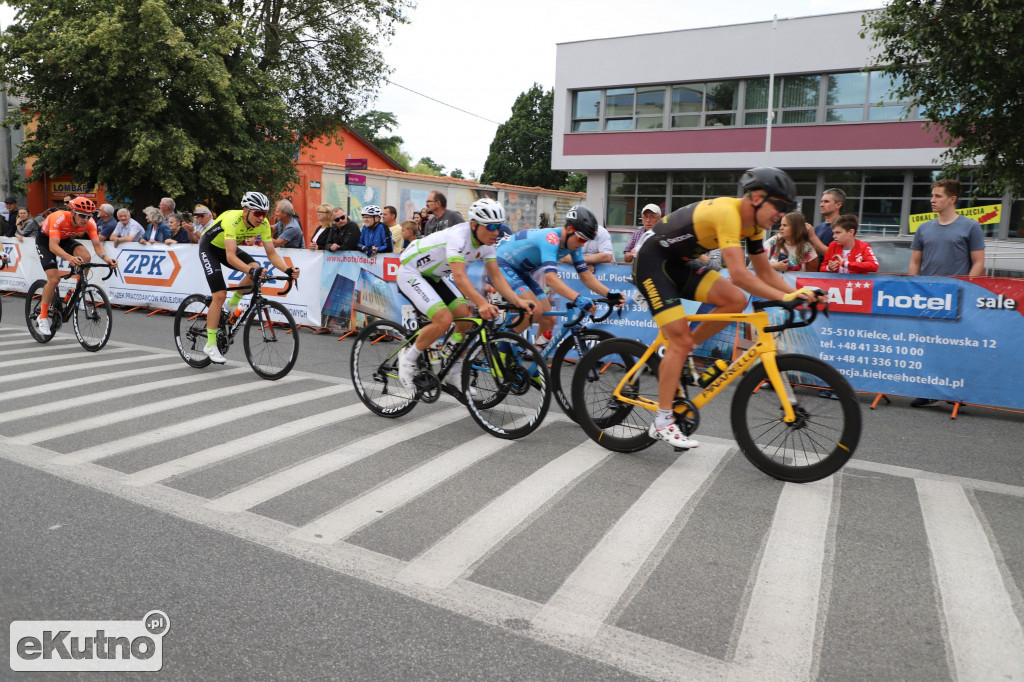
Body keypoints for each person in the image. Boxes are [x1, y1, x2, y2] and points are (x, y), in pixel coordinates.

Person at [633, 167, 824, 449]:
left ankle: (678, 351)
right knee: (683, 337)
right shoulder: (728, 214)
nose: (781, 215)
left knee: (735, 300)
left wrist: (798, 292)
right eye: (779, 206)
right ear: (758, 197)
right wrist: (786, 299)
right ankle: (662, 422)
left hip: (679, 263)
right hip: (652, 262)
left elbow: (765, 273)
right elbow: (739, 275)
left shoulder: (755, 227)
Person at [396, 198, 534, 390]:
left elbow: (497, 277)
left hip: (434, 275)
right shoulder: (458, 236)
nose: (496, 232)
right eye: (491, 226)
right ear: (474, 225)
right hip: (412, 272)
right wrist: (482, 304)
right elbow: (460, 277)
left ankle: (452, 371)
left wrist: (518, 301)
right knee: (443, 320)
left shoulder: (488, 244)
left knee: (466, 320)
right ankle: (408, 359)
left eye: (499, 226)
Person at [908, 178, 985, 407]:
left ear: (952, 199)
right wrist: (914, 290)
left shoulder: (970, 226)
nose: (932, 200)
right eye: (932, 196)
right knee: (928, 345)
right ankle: (928, 390)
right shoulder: (923, 228)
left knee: (955, 345)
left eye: (938, 196)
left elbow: (978, 261)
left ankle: (955, 393)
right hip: (927, 296)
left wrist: (968, 291)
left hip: (957, 296)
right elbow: (914, 262)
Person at [495, 205, 620, 346]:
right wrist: (578, 298)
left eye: (585, 241)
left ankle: (536, 361)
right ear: (570, 230)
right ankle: (499, 350)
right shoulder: (551, 239)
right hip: (501, 264)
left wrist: (609, 294)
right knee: (534, 310)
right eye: (581, 240)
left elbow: (585, 275)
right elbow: (550, 278)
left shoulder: (573, 245)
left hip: (521, 271)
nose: (582, 245)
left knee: (549, 320)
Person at [197, 191, 299, 364]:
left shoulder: (264, 224)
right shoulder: (232, 220)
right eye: (257, 213)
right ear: (246, 211)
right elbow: (230, 256)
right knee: (219, 295)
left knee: (257, 269)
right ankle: (211, 344)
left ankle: (232, 304)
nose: (261, 218)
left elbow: (271, 253)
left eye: (264, 214)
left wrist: (288, 270)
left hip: (227, 249)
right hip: (210, 248)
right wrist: (250, 271)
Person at [33, 197, 117, 335]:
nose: (85, 219)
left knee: (86, 257)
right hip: (46, 241)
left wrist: (107, 259)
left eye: (89, 216)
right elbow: (53, 246)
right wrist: (70, 258)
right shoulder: (59, 218)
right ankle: (42, 316)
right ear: (73, 213)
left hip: (65, 239)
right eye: (82, 215)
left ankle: (78, 293)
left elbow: (97, 245)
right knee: (54, 279)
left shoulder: (90, 223)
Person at [809, 188, 845, 256]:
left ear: (838, 205)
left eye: (826, 201)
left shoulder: (844, 227)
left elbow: (834, 255)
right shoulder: (819, 227)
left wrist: (813, 237)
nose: (821, 205)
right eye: (821, 201)